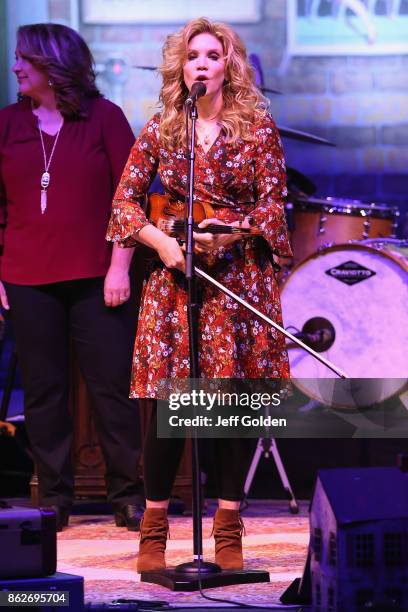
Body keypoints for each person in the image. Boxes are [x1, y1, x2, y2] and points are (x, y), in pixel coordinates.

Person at [107, 17, 291, 571]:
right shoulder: (164, 125)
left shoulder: (256, 126)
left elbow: (271, 204)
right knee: (172, 409)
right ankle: (154, 532)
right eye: (193, 56)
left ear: (229, 63)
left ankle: (229, 531)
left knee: (233, 408)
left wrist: (235, 233)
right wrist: (161, 243)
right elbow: (124, 204)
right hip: (176, 281)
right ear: (180, 67)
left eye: (212, 54)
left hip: (237, 281)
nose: (201, 64)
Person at [0, 23, 144, 531]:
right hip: (26, 275)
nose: (16, 67)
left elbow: (130, 199)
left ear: (54, 65)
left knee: (111, 387)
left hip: (97, 275)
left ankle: (128, 494)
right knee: (43, 391)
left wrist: (120, 266)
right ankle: (54, 496)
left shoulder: (104, 118)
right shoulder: (6, 123)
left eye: (24, 59)